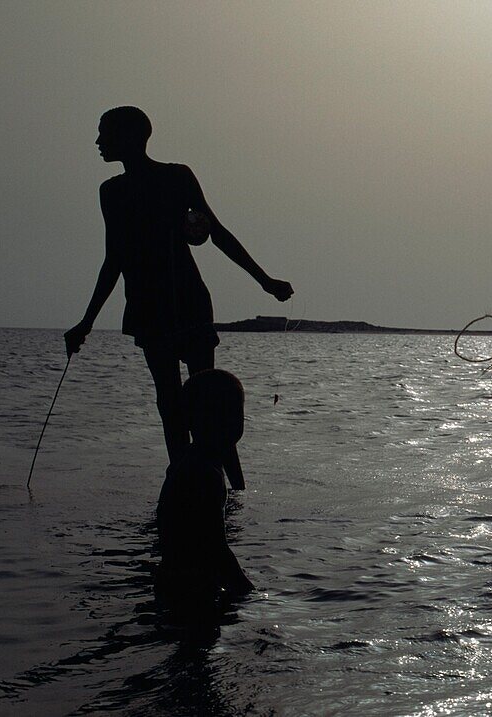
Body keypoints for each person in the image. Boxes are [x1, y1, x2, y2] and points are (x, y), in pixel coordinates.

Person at [64, 106, 293, 489]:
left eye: (106, 133)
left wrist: (264, 281)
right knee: (169, 401)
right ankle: (185, 481)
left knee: (209, 401)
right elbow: (114, 259)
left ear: (133, 137)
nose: (99, 142)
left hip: (186, 300)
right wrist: (86, 323)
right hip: (146, 307)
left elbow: (216, 233)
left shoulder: (176, 177)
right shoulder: (111, 192)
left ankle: (232, 487)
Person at [155, 369, 254, 605]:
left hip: (170, 580)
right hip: (191, 588)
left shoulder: (187, 463)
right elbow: (217, 549)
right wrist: (249, 592)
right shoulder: (205, 474)